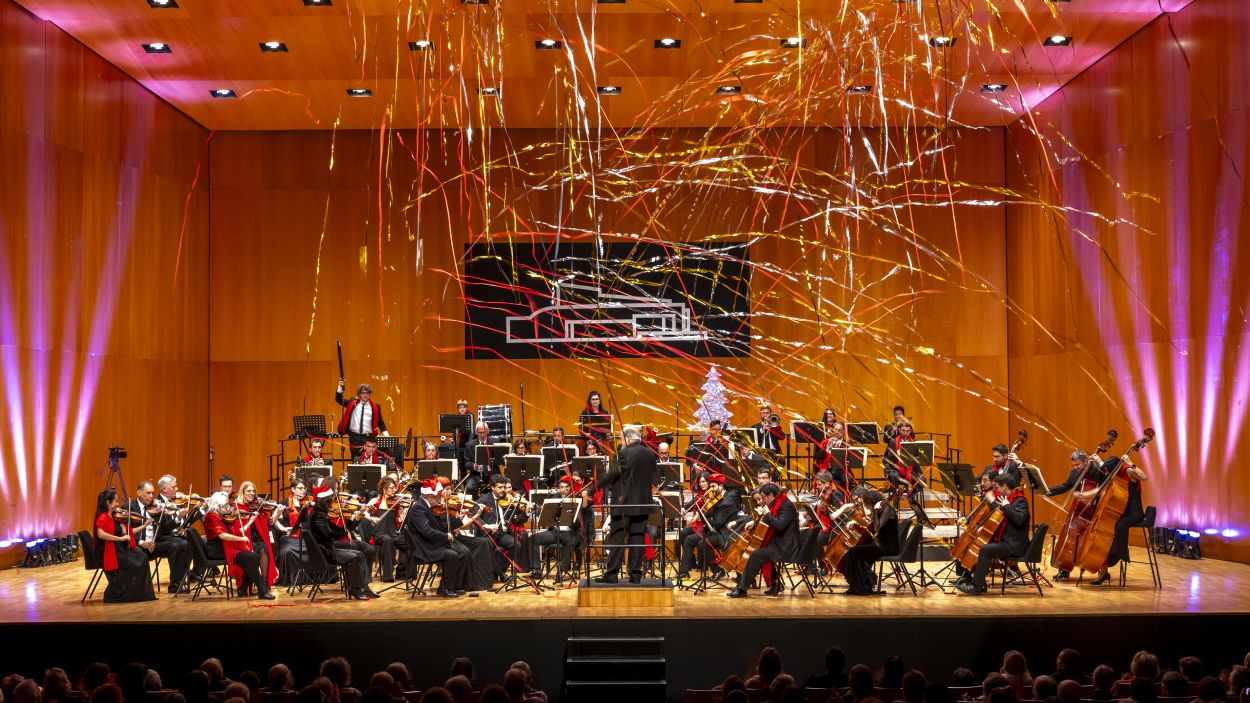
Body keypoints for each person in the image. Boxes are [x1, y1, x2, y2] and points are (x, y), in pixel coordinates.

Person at [587, 426, 656, 584]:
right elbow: (652, 473)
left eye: (620, 438)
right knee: (637, 539)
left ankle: (611, 575)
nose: (620, 442)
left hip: (623, 504)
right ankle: (635, 575)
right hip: (643, 504)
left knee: (617, 538)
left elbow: (610, 475)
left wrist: (591, 491)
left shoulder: (623, 453)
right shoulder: (650, 454)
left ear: (628, 439)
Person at [955, 473, 1030, 595]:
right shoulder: (1008, 499)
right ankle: (975, 581)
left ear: (1004, 487)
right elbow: (1000, 515)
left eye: (998, 488)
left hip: (1014, 544)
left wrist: (1006, 506)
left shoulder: (1020, 500)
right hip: (1006, 540)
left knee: (985, 550)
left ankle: (976, 587)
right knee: (976, 544)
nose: (996, 491)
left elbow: (1019, 519)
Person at [307, 486, 379, 600]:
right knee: (354, 557)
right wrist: (344, 530)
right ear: (325, 500)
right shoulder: (317, 516)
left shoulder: (320, 513)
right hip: (324, 553)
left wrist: (354, 519)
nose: (332, 502)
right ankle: (355, 589)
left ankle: (363, 587)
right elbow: (330, 534)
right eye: (330, 499)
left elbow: (337, 529)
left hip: (328, 549)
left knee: (359, 554)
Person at [727, 482, 797, 598]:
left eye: (763, 497)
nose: (762, 500)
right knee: (755, 550)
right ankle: (775, 584)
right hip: (778, 542)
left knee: (756, 555)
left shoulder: (786, 505)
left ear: (770, 495)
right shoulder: (775, 503)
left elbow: (779, 525)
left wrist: (767, 514)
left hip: (786, 546)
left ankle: (742, 589)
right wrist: (755, 522)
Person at [402, 479, 469, 597]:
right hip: (425, 547)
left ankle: (451, 586)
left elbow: (437, 527)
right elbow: (426, 531)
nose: (440, 497)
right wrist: (445, 536)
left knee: (463, 552)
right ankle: (444, 589)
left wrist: (455, 523)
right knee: (452, 555)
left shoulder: (427, 506)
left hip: (430, 543)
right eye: (438, 495)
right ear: (430, 496)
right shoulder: (419, 508)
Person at [1087, 457, 1148, 585]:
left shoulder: (1128, 472)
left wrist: (1131, 462)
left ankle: (1121, 554)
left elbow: (1144, 477)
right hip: (1120, 511)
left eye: (1110, 472)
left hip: (1134, 512)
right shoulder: (1112, 475)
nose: (1109, 475)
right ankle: (1103, 571)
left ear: (1117, 468)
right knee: (1106, 531)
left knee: (1119, 526)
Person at [202, 492, 276, 600]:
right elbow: (222, 535)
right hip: (217, 550)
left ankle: (246, 588)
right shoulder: (211, 516)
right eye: (225, 506)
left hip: (223, 547)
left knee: (253, 556)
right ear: (217, 506)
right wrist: (241, 538)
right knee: (251, 557)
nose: (228, 508)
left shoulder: (219, 515)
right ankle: (261, 590)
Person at [93, 488, 156, 603]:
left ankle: (133, 592)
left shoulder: (114, 516)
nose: (118, 504)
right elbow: (101, 534)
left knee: (142, 557)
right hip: (108, 551)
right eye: (116, 501)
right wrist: (121, 538)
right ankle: (119, 593)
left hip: (118, 548)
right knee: (135, 563)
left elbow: (128, 532)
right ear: (108, 503)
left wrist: (144, 525)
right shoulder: (102, 517)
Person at [129, 479, 191, 594]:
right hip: (139, 545)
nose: (151, 496)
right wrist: (142, 542)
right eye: (148, 493)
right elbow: (127, 532)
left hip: (155, 543)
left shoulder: (156, 508)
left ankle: (176, 584)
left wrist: (177, 517)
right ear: (139, 493)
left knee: (182, 544)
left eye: (152, 493)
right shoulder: (130, 507)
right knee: (176, 544)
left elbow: (164, 529)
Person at [838, 487, 899, 595]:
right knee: (853, 551)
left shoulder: (887, 509)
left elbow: (876, 527)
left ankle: (862, 588)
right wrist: (857, 523)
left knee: (854, 552)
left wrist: (875, 510)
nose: (867, 508)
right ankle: (858, 586)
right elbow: (872, 524)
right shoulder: (882, 508)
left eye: (867, 505)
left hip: (887, 547)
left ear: (872, 503)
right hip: (879, 543)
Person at [677, 472, 738, 580]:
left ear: (721, 486)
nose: (711, 489)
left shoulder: (728, 501)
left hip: (723, 533)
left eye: (713, 487)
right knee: (688, 540)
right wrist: (701, 513)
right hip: (712, 530)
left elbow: (718, 523)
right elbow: (710, 518)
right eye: (710, 487)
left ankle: (718, 570)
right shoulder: (714, 497)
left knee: (703, 544)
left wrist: (702, 516)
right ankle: (683, 572)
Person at [883, 419, 935, 529]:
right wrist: (890, 468)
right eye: (903, 430)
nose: (905, 433)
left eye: (907, 430)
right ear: (899, 430)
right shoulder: (892, 442)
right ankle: (895, 507)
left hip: (910, 470)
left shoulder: (914, 443)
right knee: (894, 477)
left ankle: (910, 496)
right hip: (896, 469)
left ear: (910, 430)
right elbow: (886, 459)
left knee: (923, 482)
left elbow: (920, 460)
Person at [476, 474, 526, 579]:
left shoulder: (508, 500)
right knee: (488, 548)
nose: (503, 490)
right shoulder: (484, 498)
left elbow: (517, 520)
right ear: (492, 487)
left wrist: (528, 511)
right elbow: (475, 515)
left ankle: (499, 571)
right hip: (489, 534)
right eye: (500, 487)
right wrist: (486, 525)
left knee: (516, 545)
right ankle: (501, 575)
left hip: (503, 533)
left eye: (504, 487)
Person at [235, 481, 279, 595]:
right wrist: (250, 520)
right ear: (243, 492)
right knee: (253, 554)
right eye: (249, 491)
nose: (252, 493)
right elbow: (237, 529)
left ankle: (263, 584)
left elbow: (270, 523)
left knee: (264, 550)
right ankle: (246, 586)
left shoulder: (258, 507)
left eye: (253, 491)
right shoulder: (238, 507)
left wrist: (278, 512)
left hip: (258, 539)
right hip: (244, 540)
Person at [363, 476, 408, 582]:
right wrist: (370, 518)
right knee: (387, 540)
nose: (394, 490)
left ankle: (402, 572)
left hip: (393, 533)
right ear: (384, 489)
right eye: (391, 488)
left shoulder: (396, 503)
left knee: (408, 541)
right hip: (380, 534)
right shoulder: (375, 501)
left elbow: (402, 518)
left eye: (394, 487)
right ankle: (388, 576)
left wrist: (405, 511)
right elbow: (364, 512)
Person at [336, 380, 388, 459]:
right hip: (354, 438)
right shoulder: (352, 403)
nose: (365, 395)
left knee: (369, 460)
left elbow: (380, 422)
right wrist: (340, 387)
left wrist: (386, 435)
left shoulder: (375, 407)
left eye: (367, 393)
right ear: (359, 394)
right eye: (363, 393)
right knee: (355, 460)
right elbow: (339, 400)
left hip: (368, 438)